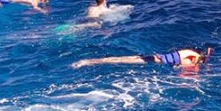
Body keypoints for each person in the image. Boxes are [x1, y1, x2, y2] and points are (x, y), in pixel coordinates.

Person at [71, 48, 211, 69]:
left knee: (119, 58)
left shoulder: (190, 52)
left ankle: (90, 61)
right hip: (156, 59)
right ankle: (86, 62)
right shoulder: (193, 59)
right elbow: (177, 67)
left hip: (157, 56)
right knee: (121, 61)